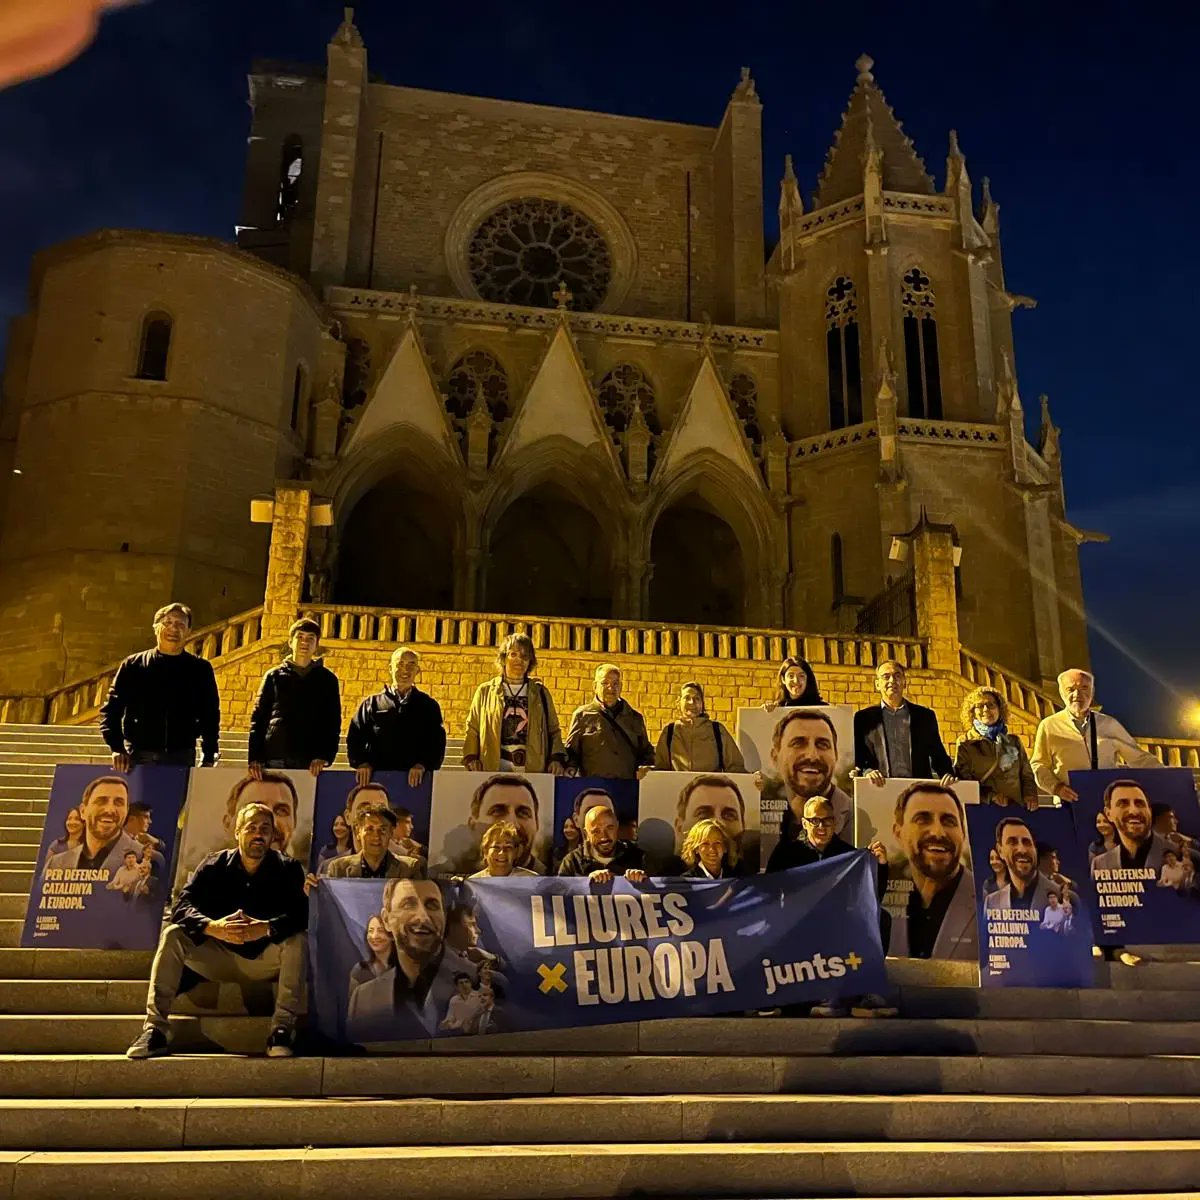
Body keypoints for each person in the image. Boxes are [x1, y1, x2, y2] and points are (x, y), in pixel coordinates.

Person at [126, 802, 308, 1059]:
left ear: (272, 835)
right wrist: (213, 927)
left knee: (297, 940)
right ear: (237, 832)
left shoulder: (288, 868)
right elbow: (181, 906)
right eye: (251, 828)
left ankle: (281, 1029)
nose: (258, 834)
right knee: (173, 934)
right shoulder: (214, 864)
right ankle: (155, 1029)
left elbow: (302, 914)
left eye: (265, 829)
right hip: (216, 956)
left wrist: (265, 929)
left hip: (262, 960)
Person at [768, 796, 893, 1018]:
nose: (821, 827)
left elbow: (870, 896)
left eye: (826, 821)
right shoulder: (786, 853)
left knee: (881, 917)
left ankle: (866, 989)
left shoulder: (847, 854)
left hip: (839, 921)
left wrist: (881, 865)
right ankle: (821, 997)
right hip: (798, 923)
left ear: (835, 823)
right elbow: (767, 893)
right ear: (804, 823)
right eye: (815, 821)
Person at [100, 602, 220, 770]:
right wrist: (116, 748)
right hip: (139, 756)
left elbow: (210, 715)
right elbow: (111, 710)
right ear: (156, 627)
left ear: (188, 631)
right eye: (167, 623)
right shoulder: (134, 665)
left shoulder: (200, 669)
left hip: (181, 756)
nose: (173, 629)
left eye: (180, 625)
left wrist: (209, 754)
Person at [346, 878, 456, 1042]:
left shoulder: (482, 983)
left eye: (432, 905)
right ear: (386, 920)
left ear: (445, 917)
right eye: (408, 904)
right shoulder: (362, 999)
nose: (423, 917)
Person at [1031, 669, 1161, 802]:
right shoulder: (1049, 726)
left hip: (1107, 802)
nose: (1077, 694)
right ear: (1062, 693)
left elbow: (1139, 758)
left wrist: (1169, 776)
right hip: (1069, 803)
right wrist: (1057, 788)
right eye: (1070, 689)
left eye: (1084, 688)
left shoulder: (1109, 724)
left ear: (1092, 692)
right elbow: (1039, 765)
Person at [886, 782, 977, 961]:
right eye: (922, 819)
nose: (938, 832)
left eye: (949, 821)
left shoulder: (990, 901)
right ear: (898, 833)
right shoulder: (877, 897)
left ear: (964, 834)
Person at [247, 618, 341, 778]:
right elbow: (259, 717)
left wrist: (325, 756)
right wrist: (255, 757)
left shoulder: (327, 679)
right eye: (300, 637)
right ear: (290, 642)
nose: (304, 643)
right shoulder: (273, 676)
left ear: (317, 644)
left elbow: (332, 721)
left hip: (310, 760)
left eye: (310, 638)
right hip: (275, 755)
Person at [462, 633, 566, 775]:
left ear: (530, 661)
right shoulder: (485, 691)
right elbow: (473, 728)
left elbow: (553, 730)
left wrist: (556, 758)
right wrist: (471, 757)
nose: (519, 660)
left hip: (532, 769)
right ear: (504, 658)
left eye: (525, 656)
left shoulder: (541, 693)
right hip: (493, 767)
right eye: (513, 654)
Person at [347, 647, 446, 788]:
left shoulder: (428, 706)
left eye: (411, 664)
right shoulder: (372, 704)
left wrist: (423, 765)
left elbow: (437, 743)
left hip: (415, 784)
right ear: (390, 668)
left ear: (417, 671)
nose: (405, 670)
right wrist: (362, 763)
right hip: (376, 781)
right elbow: (355, 737)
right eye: (400, 664)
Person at [853, 660, 954, 784]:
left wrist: (948, 774)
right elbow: (859, 757)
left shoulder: (924, 717)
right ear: (877, 684)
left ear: (904, 682)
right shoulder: (863, 718)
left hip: (916, 791)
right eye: (886, 677)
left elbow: (938, 754)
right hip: (880, 789)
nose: (892, 681)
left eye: (897, 676)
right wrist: (867, 771)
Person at [770, 709, 852, 841]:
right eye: (798, 743)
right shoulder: (758, 820)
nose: (812, 756)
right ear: (775, 757)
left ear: (836, 756)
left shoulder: (855, 818)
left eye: (822, 744)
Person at [565, 664, 654, 779]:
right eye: (604, 683)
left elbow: (646, 752)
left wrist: (647, 767)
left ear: (621, 687)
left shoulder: (634, 718)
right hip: (594, 788)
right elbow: (572, 752)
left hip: (627, 788)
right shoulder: (582, 716)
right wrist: (570, 767)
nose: (610, 688)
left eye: (615, 684)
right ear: (595, 686)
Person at [953, 686, 1037, 809]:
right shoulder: (965, 743)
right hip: (984, 810)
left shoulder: (1013, 741)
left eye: (991, 705)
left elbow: (1026, 775)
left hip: (1015, 809)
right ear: (972, 712)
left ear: (1000, 710)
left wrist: (1030, 795)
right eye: (980, 706)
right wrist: (991, 797)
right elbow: (964, 781)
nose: (986, 709)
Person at [44, 775, 143, 875]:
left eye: (118, 803)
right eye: (101, 801)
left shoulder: (145, 857)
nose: (110, 810)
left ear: (127, 811)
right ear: (83, 811)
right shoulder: (55, 863)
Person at [655, 682, 746, 773]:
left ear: (702, 703)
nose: (692, 702)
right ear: (678, 702)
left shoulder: (717, 731)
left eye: (697, 698)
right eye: (687, 698)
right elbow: (660, 770)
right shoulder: (669, 733)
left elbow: (736, 768)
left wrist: (753, 780)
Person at [1091, 779, 1175, 876]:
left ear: (1150, 811)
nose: (1133, 811)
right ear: (1109, 814)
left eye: (1140, 803)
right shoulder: (1099, 863)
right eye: (1123, 804)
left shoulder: (1180, 854)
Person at [318, 806, 423, 881]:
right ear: (358, 832)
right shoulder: (338, 868)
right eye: (369, 830)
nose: (376, 836)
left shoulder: (410, 868)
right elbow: (329, 905)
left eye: (382, 830)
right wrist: (315, 889)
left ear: (391, 832)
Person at [673, 774, 750, 869]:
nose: (717, 822)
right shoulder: (665, 877)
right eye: (703, 814)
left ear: (743, 826)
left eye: (729, 815)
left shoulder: (749, 875)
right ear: (680, 828)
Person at [557, 804, 647, 883]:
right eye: (596, 831)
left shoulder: (639, 857)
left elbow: (657, 893)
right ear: (586, 834)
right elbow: (559, 894)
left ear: (617, 826)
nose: (604, 836)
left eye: (610, 828)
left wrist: (643, 879)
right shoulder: (572, 861)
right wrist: (586, 883)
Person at [984, 817, 1057, 913]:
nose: (1022, 850)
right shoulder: (991, 902)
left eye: (1027, 842)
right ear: (1000, 850)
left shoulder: (1062, 896)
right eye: (1012, 842)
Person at [470, 820, 538, 879]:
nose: (502, 852)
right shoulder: (473, 884)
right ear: (485, 851)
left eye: (508, 847)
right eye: (496, 847)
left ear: (516, 852)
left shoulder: (531, 880)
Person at [348, 914, 396, 998]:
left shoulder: (404, 970)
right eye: (370, 931)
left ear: (392, 935)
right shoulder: (360, 971)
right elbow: (354, 1008)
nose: (374, 936)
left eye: (380, 930)